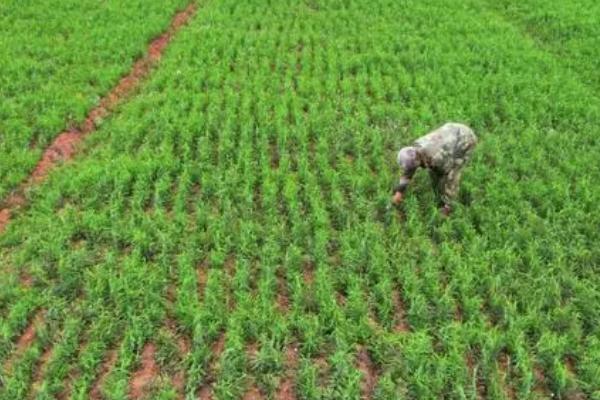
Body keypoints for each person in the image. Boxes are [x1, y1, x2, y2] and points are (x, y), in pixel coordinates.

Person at [392, 122, 477, 215]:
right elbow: (409, 170)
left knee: (452, 172)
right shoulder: (416, 150)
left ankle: (448, 207)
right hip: (452, 131)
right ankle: (438, 192)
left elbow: (450, 177)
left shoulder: (437, 159)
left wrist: (447, 201)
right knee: (434, 173)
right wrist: (400, 191)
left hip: (465, 139)